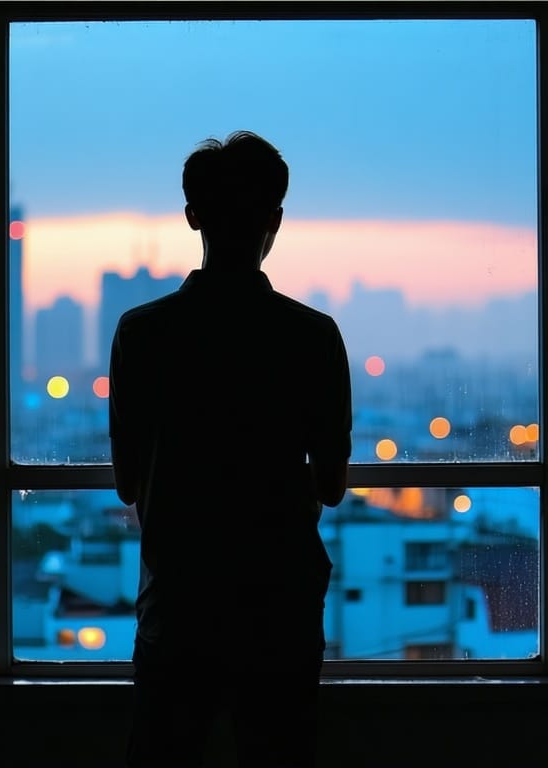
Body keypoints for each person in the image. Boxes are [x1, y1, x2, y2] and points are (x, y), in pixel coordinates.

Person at [109, 130, 353, 767]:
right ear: (275, 220)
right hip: (278, 611)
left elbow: (128, 483)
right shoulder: (312, 337)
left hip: (179, 609)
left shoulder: (143, 335)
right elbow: (329, 484)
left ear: (193, 216)